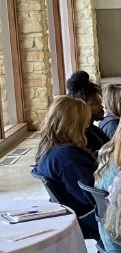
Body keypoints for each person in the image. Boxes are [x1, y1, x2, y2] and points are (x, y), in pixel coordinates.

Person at [32, 96, 97, 239]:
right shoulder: (68, 158)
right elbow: (91, 195)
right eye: (84, 122)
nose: (87, 126)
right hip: (89, 216)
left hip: (75, 211)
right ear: (74, 124)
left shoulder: (49, 147)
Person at [66, 71, 110, 152]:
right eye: (95, 103)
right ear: (81, 105)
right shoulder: (82, 137)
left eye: (100, 102)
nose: (101, 107)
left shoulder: (94, 130)